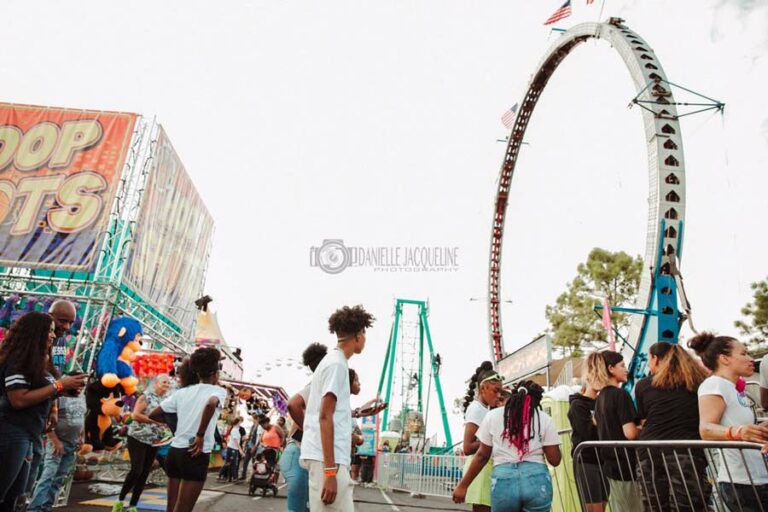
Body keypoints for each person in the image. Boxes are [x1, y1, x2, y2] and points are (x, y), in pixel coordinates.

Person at [0, 312, 86, 512]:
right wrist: (58, 386)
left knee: (15, 497)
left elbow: (40, 391)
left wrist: (63, 393)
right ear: (37, 333)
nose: (54, 335)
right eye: (50, 331)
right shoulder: (18, 361)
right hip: (12, 433)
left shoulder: (38, 361)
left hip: (27, 434)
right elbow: (18, 399)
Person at [300, 304, 375, 510]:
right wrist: (331, 471)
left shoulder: (333, 361)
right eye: (365, 333)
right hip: (327, 461)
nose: (365, 339)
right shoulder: (337, 364)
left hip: (327, 459)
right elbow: (325, 415)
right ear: (358, 335)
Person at [453, 380, 561, 511]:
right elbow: (554, 460)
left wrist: (463, 486)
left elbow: (482, 456)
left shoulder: (492, 416)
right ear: (536, 401)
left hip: (503, 481)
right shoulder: (544, 418)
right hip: (537, 481)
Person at [689, 332, 768, 510]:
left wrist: (758, 430)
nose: (750, 359)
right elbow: (706, 430)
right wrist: (738, 432)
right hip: (742, 483)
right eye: (743, 353)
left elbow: (737, 426)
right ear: (724, 359)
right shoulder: (714, 384)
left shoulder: (732, 387)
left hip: (756, 479)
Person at [634, 342, 711, 511]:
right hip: (687, 451)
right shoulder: (698, 381)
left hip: (649, 451)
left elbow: (644, 420)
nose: (648, 363)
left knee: (655, 505)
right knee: (689, 505)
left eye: (648, 359)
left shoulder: (644, 385)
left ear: (655, 359)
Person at [149, 346, 227, 512]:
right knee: (183, 509)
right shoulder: (218, 391)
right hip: (195, 452)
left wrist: (176, 428)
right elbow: (211, 403)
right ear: (215, 374)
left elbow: (154, 414)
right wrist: (199, 435)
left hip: (175, 452)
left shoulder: (182, 393)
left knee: (171, 508)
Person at [28, 301, 86, 512]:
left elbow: (54, 373)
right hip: (21, 423)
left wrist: (62, 393)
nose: (67, 328)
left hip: (39, 423)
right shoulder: (29, 346)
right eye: (62, 321)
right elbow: (19, 395)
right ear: (48, 315)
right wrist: (62, 386)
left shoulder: (59, 343)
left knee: (33, 478)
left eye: (71, 322)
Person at [110, 374, 173, 512]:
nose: (167, 385)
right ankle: (119, 501)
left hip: (154, 440)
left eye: (169, 383)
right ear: (156, 383)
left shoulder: (166, 400)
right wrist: (155, 422)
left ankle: (133, 505)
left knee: (145, 472)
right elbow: (135, 415)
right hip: (138, 437)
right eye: (164, 382)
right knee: (136, 470)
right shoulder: (146, 396)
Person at [591, 350, 643, 512]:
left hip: (610, 466)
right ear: (611, 368)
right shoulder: (621, 395)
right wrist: (646, 427)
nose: (626, 369)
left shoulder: (600, 398)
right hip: (627, 465)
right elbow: (630, 433)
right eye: (622, 366)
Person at [282, 342, 328, 512]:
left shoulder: (320, 386)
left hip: (301, 454)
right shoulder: (317, 385)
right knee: (299, 508)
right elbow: (292, 404)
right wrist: (310, 431)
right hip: (298, 452)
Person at [460, 361, 503, 512]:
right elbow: (467, 447)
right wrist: (494, 439)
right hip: (480, 472)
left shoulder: (487, 410)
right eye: (495, 391)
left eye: (501, 392)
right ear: (483, 388)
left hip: (486, 470)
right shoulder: (476, 409)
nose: (498, 395)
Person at [568, 358, 608, 512]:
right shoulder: (577, 404)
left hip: (603, 461)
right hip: (587, 461)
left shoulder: (602, 401)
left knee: (602, 506)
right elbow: (587, 433)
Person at [348, 369, 364, 482]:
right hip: (335, 461)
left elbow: (359, 413)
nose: (359, 383)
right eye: (356, 380)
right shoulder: (335, 402)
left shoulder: (345, 405)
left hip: (346, 456)